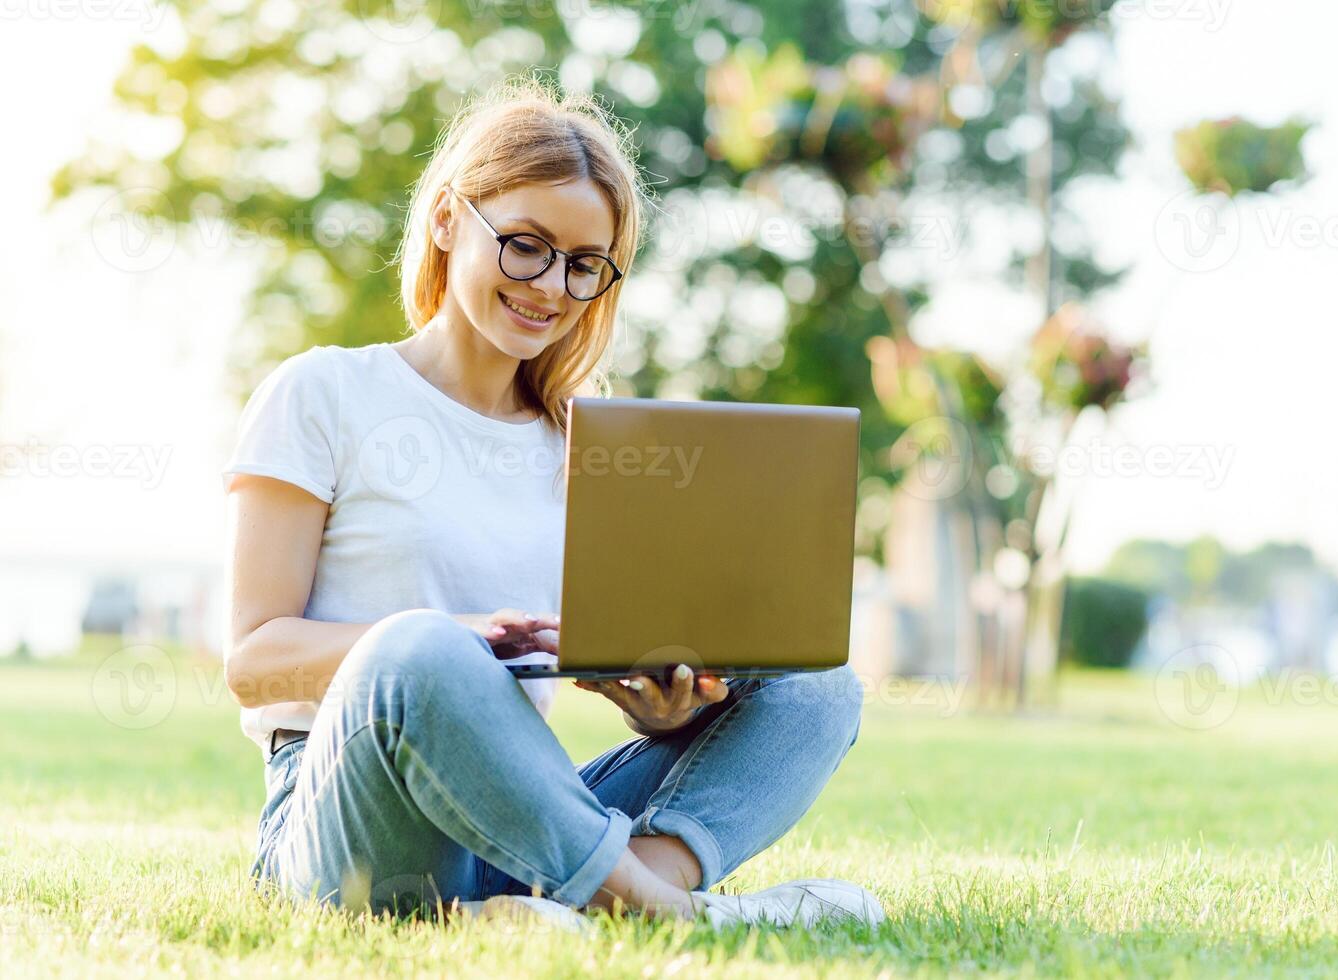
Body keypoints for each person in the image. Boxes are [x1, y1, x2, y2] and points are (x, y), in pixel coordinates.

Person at [221, 77, 883, 933]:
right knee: (419, 649)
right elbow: (252, 660)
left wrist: (661, 700)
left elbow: (589, 649)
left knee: (817, 685)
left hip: (515, 810)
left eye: (583, 265)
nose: (553, 288)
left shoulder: (588, 446)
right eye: (527, 245)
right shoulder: (322, 391)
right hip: (340, 817)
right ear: (449, 219)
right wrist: (449, 636)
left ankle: (562, 902)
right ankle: (678, 919)